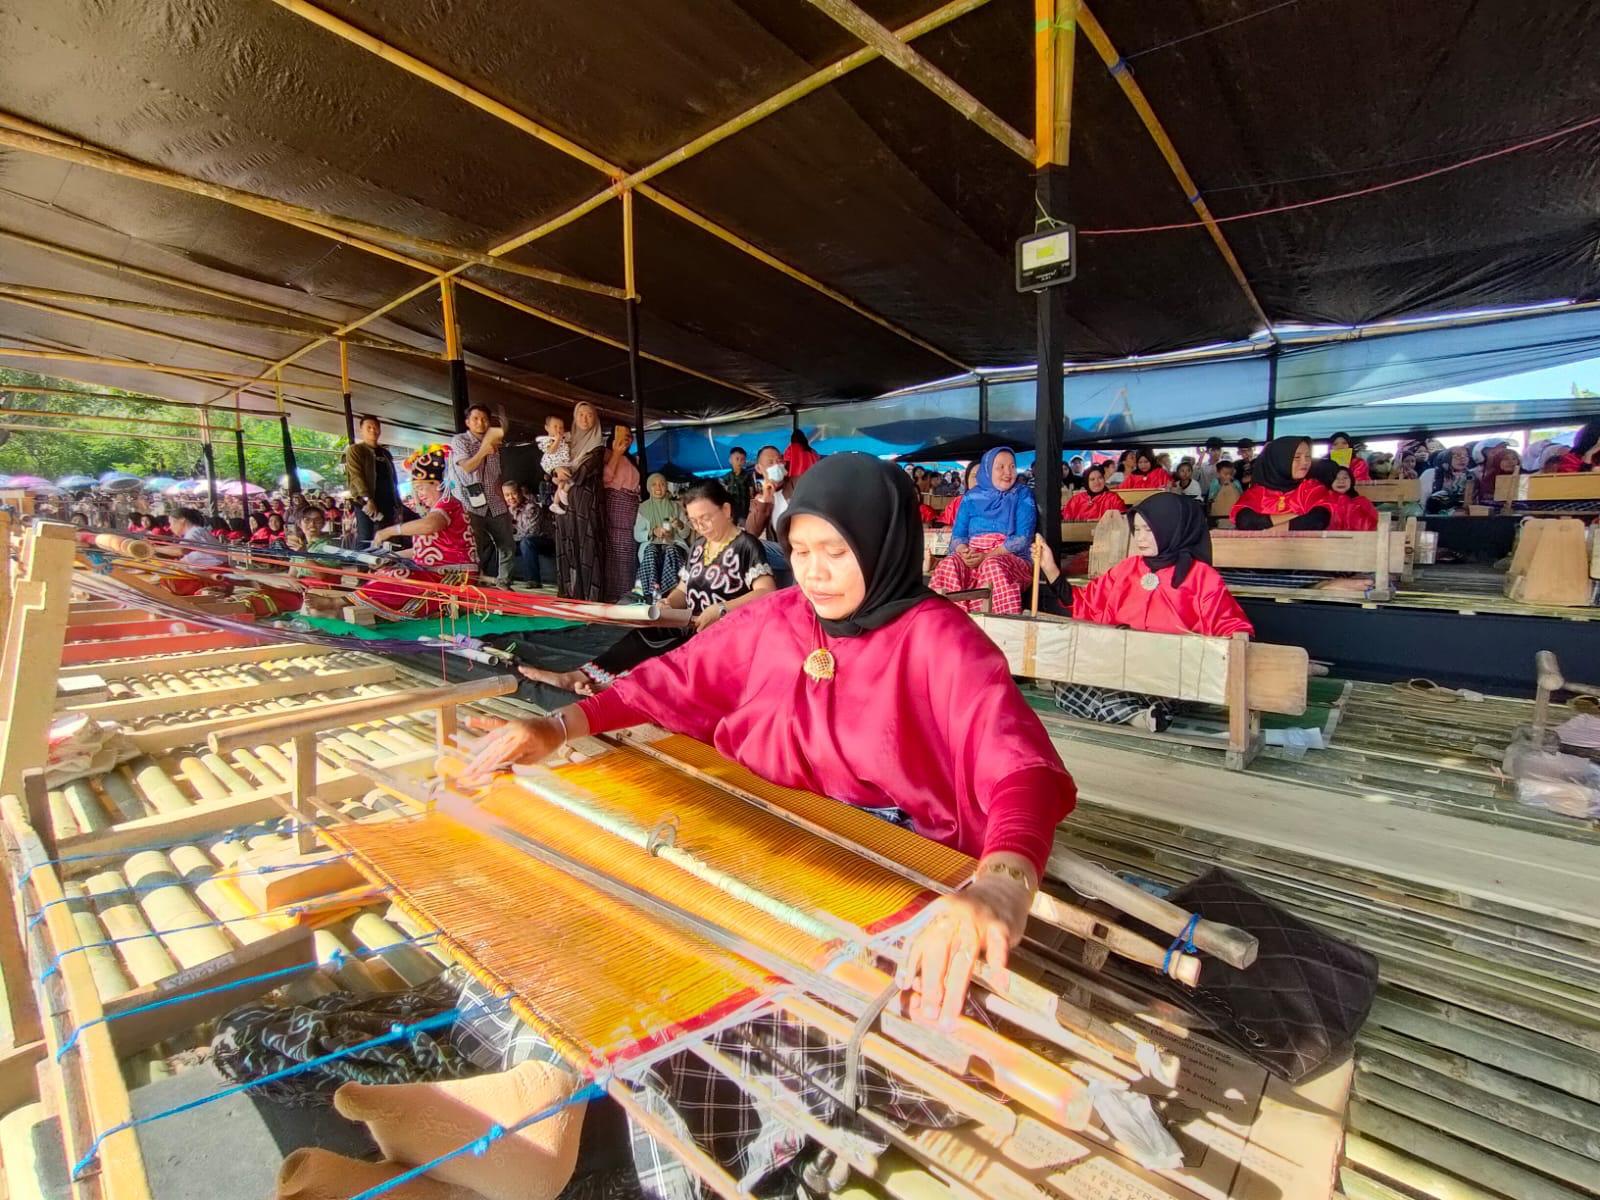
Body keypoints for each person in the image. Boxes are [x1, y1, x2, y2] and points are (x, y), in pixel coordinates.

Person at [467, 453, 1076, 1026]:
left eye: (837, 551)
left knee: (846, 1021)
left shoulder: (940, 643)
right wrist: (558, 726)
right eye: (801, 549)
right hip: (768, 831)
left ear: (882, 544)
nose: (814, 571)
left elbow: (1019, 768)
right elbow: (672, 680)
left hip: (886, 864)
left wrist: (1002, 882)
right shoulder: (777, 618)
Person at [520, 480, 775, 693]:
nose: (700, 527)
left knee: (671, 654)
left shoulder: (746, 545)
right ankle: (579, 676)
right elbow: (684, 589)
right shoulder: (699, 546)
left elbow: (767, 591)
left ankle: (616, 687)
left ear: (727, 510)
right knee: (644, 636)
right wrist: (667, 604)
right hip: (695, 624)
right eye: (694, 521)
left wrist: (720, 609)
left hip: (729, 632)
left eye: (706, 518)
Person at [1035, 495, 1253, 730]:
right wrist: (1050, 568)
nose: (1140, 538)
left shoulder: (1202, 577)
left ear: (1171, 528)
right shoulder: (1127, 569)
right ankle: (1139, 717)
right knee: (1066, 683)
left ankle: (1137, 712)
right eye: (1136, 529)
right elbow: (1086, 603)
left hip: (1174, 677)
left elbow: (1233, 629)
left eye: (1148, 530)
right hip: (1122, 670)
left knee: (1155, 690)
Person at [355, 447, 477, 619]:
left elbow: (431, 525)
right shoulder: (436, 509)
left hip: (454, 577)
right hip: (438, 572)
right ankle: (354, 605)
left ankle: (346, 605)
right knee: (387, 571)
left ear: (435, 484)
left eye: (420, 488)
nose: (419, 496)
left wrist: (390, 531)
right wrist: (390, 556)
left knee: (399, 576)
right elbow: (423, 550)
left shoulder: (449, 503)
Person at [928, 447, 1037, 614]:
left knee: (991, 566)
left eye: (1012, 466)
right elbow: (958, 536)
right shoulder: (971, 497)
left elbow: (1022, 538)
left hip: (1009, 556)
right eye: (1000, 467)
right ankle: (952, 621)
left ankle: (1002, 626)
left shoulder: (1022, 494)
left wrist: (986, 556)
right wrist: (964, 552)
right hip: (973, 554)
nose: (1008, 472)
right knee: (949, 565)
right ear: (987, 470)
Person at [450, 403, 516, 588]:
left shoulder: (495, 442)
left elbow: (497, 475)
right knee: (475, 547)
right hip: (470, 503)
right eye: (476, 419)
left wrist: (504, 501)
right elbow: (468, 466)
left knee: (507, 545)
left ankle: (504, 584)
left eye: (484, 419)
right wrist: (484, 450)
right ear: (467, 422)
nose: (481, 422)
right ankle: (473, 584)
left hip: (495, 501)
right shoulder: (460, 440)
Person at [553, 401, 609, 601]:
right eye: (581, 415)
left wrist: (564, 478)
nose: (585, 419)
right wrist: (554, 471)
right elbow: (549, 465)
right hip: (565, 505)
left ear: (596, 419)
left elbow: (585, 471)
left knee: (588, 546)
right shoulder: (564, 443)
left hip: (588, 503)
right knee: (567, 544)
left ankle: (591, 598)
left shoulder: (598, 446)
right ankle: (569, 594)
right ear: (575, 418)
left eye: (589, 415)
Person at [1229, 436, 1333, 530]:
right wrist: (1297, 516)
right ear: (1279, 460)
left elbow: (1318, 520)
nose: (1305, 462)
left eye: (1308, 456)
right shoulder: (1258, 491)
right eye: (1297, 457)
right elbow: (1245, 521)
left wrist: (1269, 530)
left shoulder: (1312, 488)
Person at [344, 414, 400, 546]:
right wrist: (367, 499)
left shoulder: (385, 453)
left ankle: (385, 565)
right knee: (365, 535)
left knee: (388, 535)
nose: (373, 430)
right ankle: (362, 566)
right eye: (368, 427)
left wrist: (397, 501)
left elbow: (393, 479)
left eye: (375, 427)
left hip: (387, 500)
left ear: (380, 430)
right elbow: (356, 476)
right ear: (361, 430)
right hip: (366, 502)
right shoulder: (355, 450)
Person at [602, 425, 642, 603]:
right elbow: (605, 478)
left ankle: (627, 593)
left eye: (629, 436)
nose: (626, 439)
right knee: (616, 551)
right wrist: (616, 453)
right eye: (622, 436)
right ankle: (614, 596)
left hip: (631, 506)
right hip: (616, 505)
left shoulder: (632, 459)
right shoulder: (607, 454)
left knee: (628, 550)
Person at [634, 472, 687, 598]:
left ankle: (674, 593)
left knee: (671, 550)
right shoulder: (643, 507)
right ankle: (650, 593)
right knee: (651, 551)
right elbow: (637, 534)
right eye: (654, 485)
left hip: (672, 542)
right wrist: (652, 532)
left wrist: (680, 525)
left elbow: (685, 534)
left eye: (662, 484)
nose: (658, 488)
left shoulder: (676, 507)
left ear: (666, 487)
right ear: (649, 488)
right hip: (651, 543)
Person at [1308, 459, 1378, 531]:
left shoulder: (1363, 502)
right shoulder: (1325, 502)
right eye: (1336, 478)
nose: (1341, 481)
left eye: (1345, 477)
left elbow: (1373, 525)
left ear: (1351, 480)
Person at [744, 445, 796, 540]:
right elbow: (751, 532)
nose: (776, 465)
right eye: (770, 463)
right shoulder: (759, 500)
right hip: (780, 548)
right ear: (759, 469)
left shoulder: (796, 484)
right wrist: (765, 501)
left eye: (779, 461)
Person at [502, 481, 547, 588]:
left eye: (514, 494)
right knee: (500, 544)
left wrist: (511, 538)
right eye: (507, 495)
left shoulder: (531, 508)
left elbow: (531, 532)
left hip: (542, 540)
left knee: (526, 543)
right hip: (520, 541)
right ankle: (501, 578)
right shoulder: (507, 511)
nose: (511, 498)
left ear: (520, 493)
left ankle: (533, 580)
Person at [1061, 464, 1127, 521]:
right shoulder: (1076, 499)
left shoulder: (1113, 498)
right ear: (1087, 482)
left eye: (1100, 478)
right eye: (1092, 479)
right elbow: (1066, 520)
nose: (1097, 482)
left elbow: (1122, 519)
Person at [536, 415, 572, 515]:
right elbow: (551, 451)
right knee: (570, 479)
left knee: (563, 483)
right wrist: (557, 440)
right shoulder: (547, 440)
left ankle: (556, 503)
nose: (558, 429)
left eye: (561, 427)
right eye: (555, 426)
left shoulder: (564, 437)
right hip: (555, 464)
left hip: (563, 464)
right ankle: (562, 495)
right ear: (547, 428)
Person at [939, 461, 982, 527]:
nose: (979, 481)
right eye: (974, 476)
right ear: (967, 479)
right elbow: (945, 528)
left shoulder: (999, 504)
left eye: (983, 476)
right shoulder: (957, 503)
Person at [722, 446, 754, 524]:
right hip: (731, 509)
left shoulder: (747, 475)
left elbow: (751, 490)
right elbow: (723, 490)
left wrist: (751, 498)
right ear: (730, 460)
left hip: (744, 509)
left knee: (744, 528)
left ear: (745, 461)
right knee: (731, 526)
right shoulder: (727, 476)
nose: (739, 461)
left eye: (742, 459)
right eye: (737, 459)